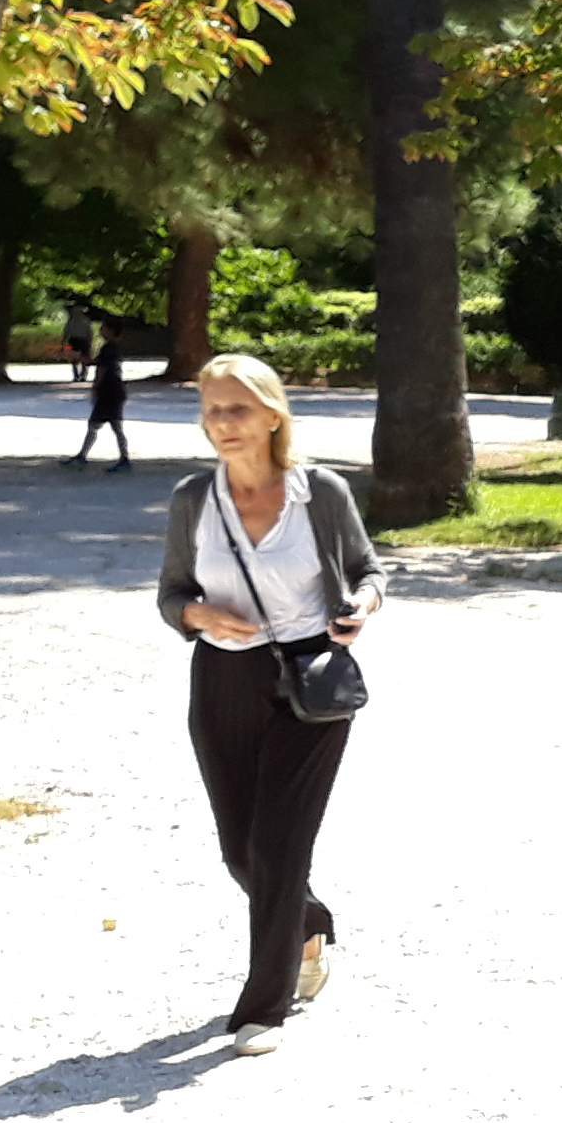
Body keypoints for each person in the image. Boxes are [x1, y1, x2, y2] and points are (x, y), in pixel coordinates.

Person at [155, 353, 383, 1053]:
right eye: (212, 410)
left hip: (311, 679)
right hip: (223, 680)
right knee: (240, 852)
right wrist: (199, 616)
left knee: (278, 844)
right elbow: (172, 595)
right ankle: (308, 925)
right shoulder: (195, 499)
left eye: (238, 409)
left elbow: (368, 571)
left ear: (273, 415)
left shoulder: (320, 493)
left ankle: (264, 1008)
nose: (223, 423)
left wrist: (362, 606)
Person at [68, 321, 132, 469]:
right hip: (114, 392)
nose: (101, 331)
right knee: (109, 426)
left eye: (104, 328)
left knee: (103, 426)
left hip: (109, 392)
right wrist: (78, 356)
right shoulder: (113, 348)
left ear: (111, 330)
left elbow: (102, 369)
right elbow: (95, 362)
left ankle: (122, 459)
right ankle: (84, 455)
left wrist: (96, 386)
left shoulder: (109, 348)